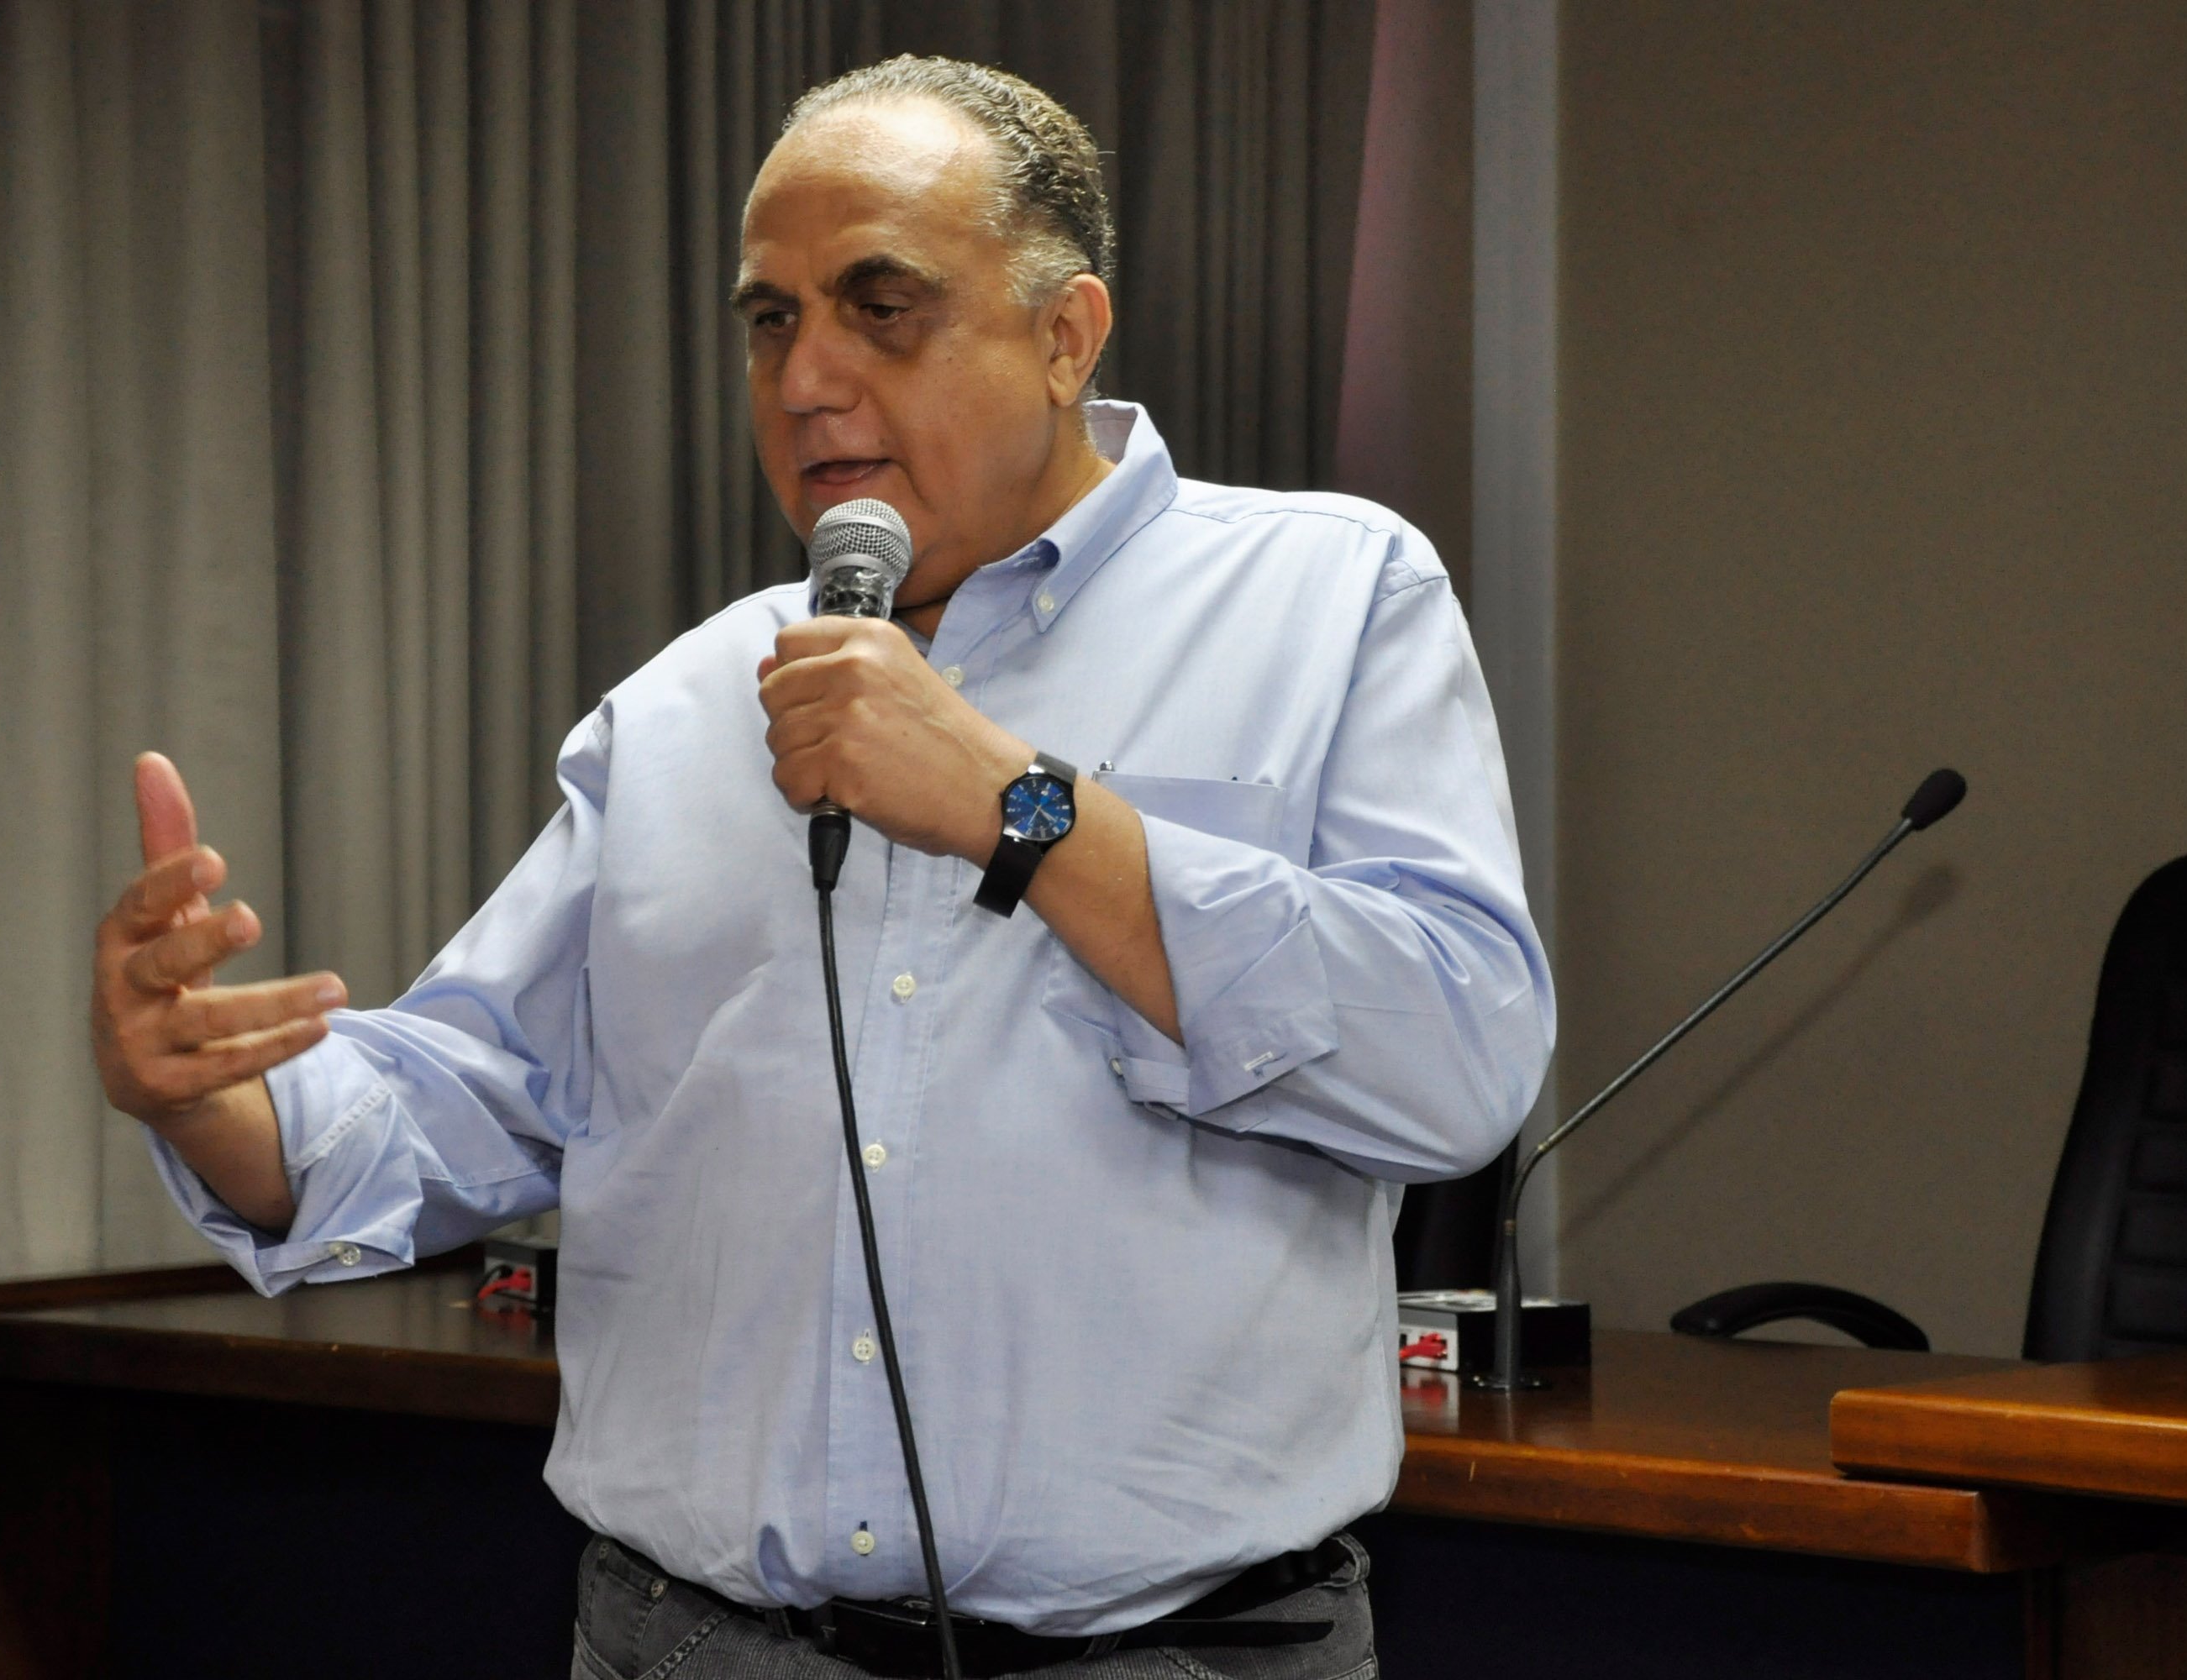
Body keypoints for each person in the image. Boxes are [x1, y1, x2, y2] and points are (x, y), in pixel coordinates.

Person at [92, 55, 1552, 1680]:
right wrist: (208, 1099)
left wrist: (1020, 809)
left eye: (882, 307)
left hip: (1177, 1653)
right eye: (771, 320)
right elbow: (470, 1092)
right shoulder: (685, 705)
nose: (804, 379)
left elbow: (1458, 1060)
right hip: (689, 1643)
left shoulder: (1331, 599)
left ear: (1066, 337)